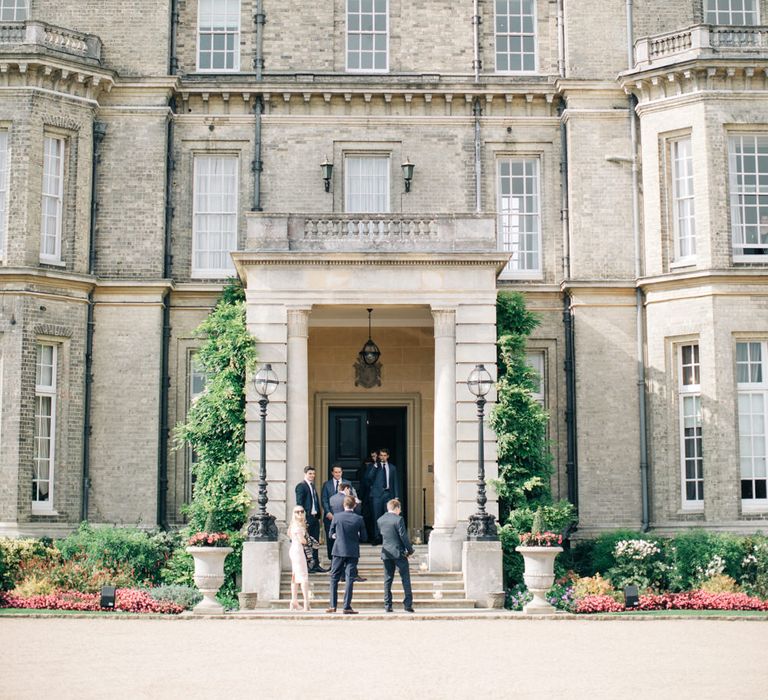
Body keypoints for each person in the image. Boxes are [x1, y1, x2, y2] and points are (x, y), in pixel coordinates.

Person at [326, 495, 367, 615]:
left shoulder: (337, 517)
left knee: (334, 577)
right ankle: (346, 606)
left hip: (338, 550)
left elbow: (330, 534)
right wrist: (357, 535)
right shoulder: (359, 518)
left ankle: (333, 606)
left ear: (344, 505)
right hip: (352, 551)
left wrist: (337, 536)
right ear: (354, 505)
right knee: (350, 579)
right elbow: (364, 537)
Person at [377, 498, 415, 613]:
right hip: (399, 552)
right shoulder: (399, 519)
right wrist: (410, 550)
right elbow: (403, 536)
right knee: (405, 579)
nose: (400, 511)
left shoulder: (380, 520)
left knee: (388, 579)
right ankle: (407, 604)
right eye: (400, 509)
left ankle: (388, 605)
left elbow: (382, 535)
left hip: (386, 552)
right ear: (397, 508)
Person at [330, 482, 367, 582]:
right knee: (350, 558)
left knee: (339, 558)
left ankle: (342, 575)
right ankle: (352, 575)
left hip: (338, 531)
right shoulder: (348, 499)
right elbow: (354, 513)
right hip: (350, 531)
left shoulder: (332, 498)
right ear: (346, 489)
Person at [295, 465, 327, 573]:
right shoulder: (301, 486)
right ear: (305, 474)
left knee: (315, 542)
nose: (312, 476)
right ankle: (307, 566)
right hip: (306, 519)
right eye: (310, 474)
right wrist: (302, 520)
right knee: (306, 543)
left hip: (314, 518)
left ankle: (316, 564)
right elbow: (299, 504)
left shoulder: (312, 486)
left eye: (313, 474)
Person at [365, 447, 398, 545]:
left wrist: (396, 496)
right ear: (379, 456)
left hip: (388, 494)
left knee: (388, 517)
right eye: (381, 455)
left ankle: (387, 537)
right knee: (377, 516)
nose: (383, 457)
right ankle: (377, 537)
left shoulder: (392, 467)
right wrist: (375, 465)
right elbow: (369, 478)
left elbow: (395, 482)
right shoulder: (375, 466)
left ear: (387, 456)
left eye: (385, 455)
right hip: (377, 495)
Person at [287, 505, 311, 611]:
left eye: (301, 511)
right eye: (297, 512)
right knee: (303, 576)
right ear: (294, 514)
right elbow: (302, 540)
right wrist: (308, 540)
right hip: (297, 551)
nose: (300, 513)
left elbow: (290, 535)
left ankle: (294, 601)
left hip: (295, 550)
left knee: (295, 576)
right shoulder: (297, 525)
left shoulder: (295, 525)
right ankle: (306, 602)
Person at [321, 464, 344, 559]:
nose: (338, 474)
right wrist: (327, 512)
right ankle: (332, 562)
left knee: (343, 540)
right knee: (331, 540)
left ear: (342, 472)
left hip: (343, 518)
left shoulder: (348, 483)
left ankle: (343, 562)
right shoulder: (327, 484)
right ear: (332, 473)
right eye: (336, 472)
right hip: (330, 517)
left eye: (339, 472)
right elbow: (324, 499)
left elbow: (351, 499)